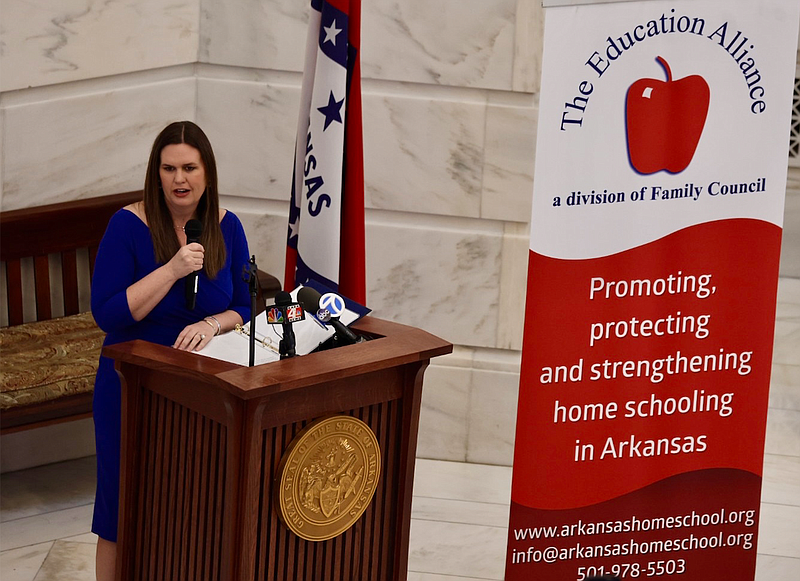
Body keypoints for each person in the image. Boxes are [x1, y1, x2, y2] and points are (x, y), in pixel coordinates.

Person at [89, 121, 252, 580]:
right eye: (169, 168)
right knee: (121, 511)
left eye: (189, 167)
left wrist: (210, 322)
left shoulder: (227, 227)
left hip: (201, 389)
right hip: (132, 386)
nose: (179, 179)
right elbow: (108, 313)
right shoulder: (128, 225)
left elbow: (243, 305)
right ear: (155, 174)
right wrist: (173, 268)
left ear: (207, 173)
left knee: (192, 510)